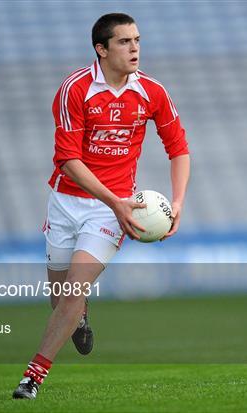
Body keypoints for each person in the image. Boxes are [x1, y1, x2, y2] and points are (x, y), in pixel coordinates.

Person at [12, 12, 190, 399]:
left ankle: (33, 376)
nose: (135, 49)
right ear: (101, 49)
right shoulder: (75, 89)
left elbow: (178, 148)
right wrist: (113, 200)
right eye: (124, 42)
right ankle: (80, 316)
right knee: (60, 300)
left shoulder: (152, 92)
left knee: (73, 291)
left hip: (111, 210)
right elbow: (68, 161)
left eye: (137, 41)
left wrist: (176, 203)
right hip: (66, 202)